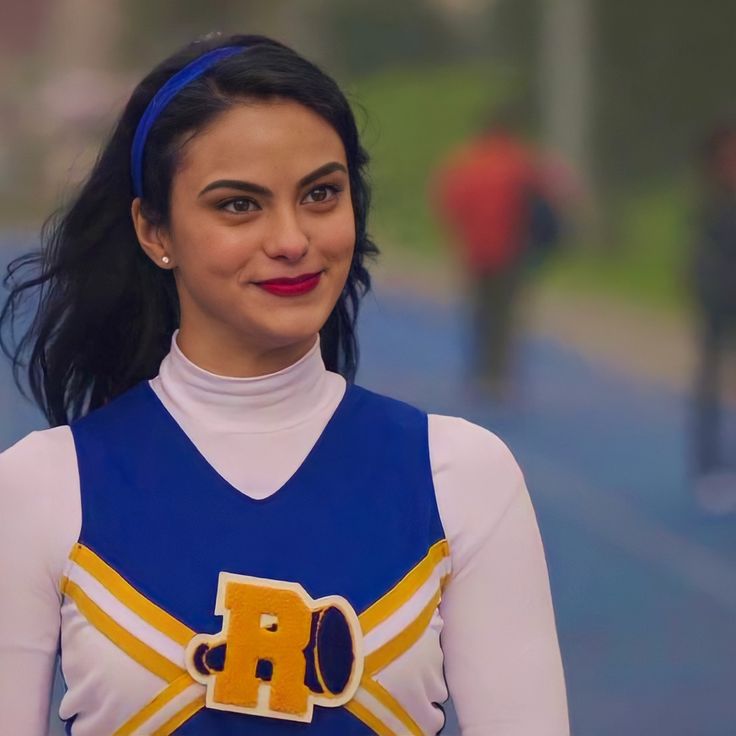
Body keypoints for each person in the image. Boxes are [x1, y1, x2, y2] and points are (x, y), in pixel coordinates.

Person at [0, 34, 569, 735]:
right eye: (239, 205)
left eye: (321, 194)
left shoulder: (462, 477)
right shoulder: (39, 487)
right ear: (154, 230)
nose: (293, 239)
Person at [432, 112, 563, 399]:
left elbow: (450, 202)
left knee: (480, 312)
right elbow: (549, 198)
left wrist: (461, 236)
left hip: (477, 251)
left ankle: (481, 371)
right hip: (512, 250)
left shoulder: (468, 163)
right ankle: (500, 376)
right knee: (505, 314)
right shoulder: (521, 163)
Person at [689, 124, 736, 514]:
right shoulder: (710, 206)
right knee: (709, 384)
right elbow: (701, 262)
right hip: (717, 306)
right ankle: (709, 466)